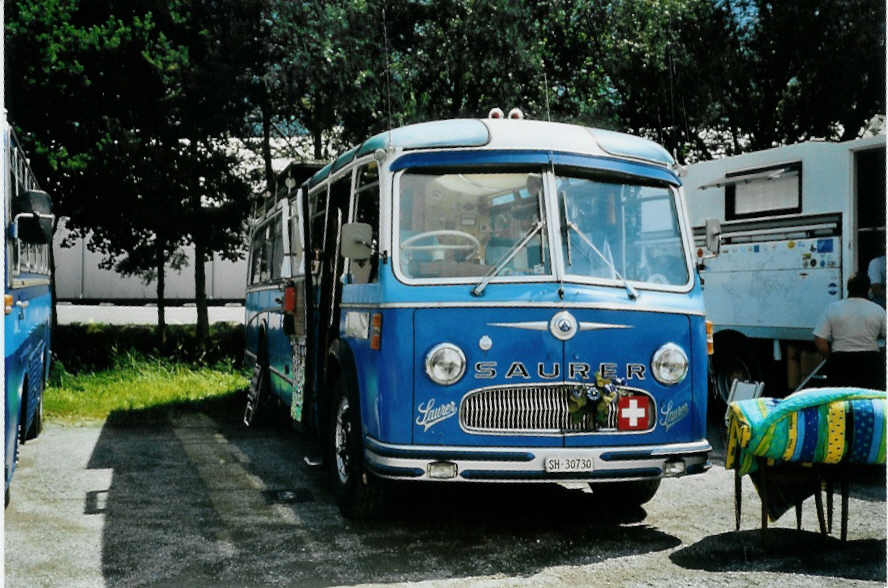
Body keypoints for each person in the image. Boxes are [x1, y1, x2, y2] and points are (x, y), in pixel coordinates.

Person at [813, 273, 886, 389]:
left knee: (840, 401)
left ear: (848, 288)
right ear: (868, 289)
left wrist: (830, 358)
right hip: (870, 362)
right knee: (868, 400)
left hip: (841, 361)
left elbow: (819, 339)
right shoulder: (878, 310)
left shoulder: (833, 308)